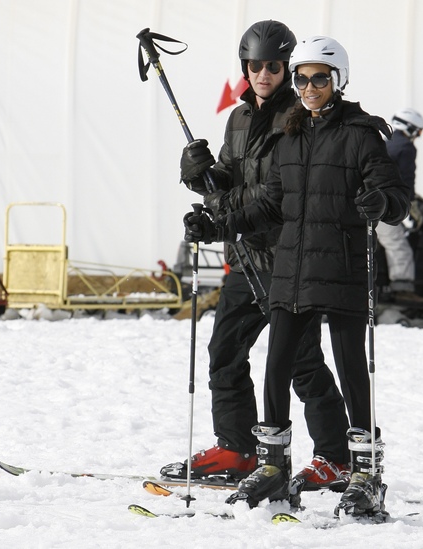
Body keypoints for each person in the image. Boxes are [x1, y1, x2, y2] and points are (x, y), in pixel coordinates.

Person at [184, 35, 410, 518]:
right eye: (303, 78)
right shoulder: (290, 134)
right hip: (291, 268)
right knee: (277, 365)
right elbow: (269, 202)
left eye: (319, 78)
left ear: (338, 81)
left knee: (351, 370)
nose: (308, 87)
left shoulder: (361, 132)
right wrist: (216, 224)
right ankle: (273, 467)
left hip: (343, 267)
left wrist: (382, 203)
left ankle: (365, 472)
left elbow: (396, 199)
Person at [162, 21, 351, 498]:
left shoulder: (299, 118)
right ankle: (237, 448)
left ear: (286, 68)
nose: (263, 73)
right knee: (225, 352)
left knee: (301, 363)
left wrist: (222, 220)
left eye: (273, 65)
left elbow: (276, 195)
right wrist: (202, 173)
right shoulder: (239, 118)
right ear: (244, 67)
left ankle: (335, 456)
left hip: (287, 260)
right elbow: (232, 175)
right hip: (246, 257)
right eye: (255, 65)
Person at [376, 108, 423, 304]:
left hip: (369, 202)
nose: (418, 136)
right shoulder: (405, 147)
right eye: (418, 131)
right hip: (383, 207)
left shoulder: (385, 143)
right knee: (398, 245)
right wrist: (411, 203)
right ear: (410, 128)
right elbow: (406, 178)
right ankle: (402, 288)